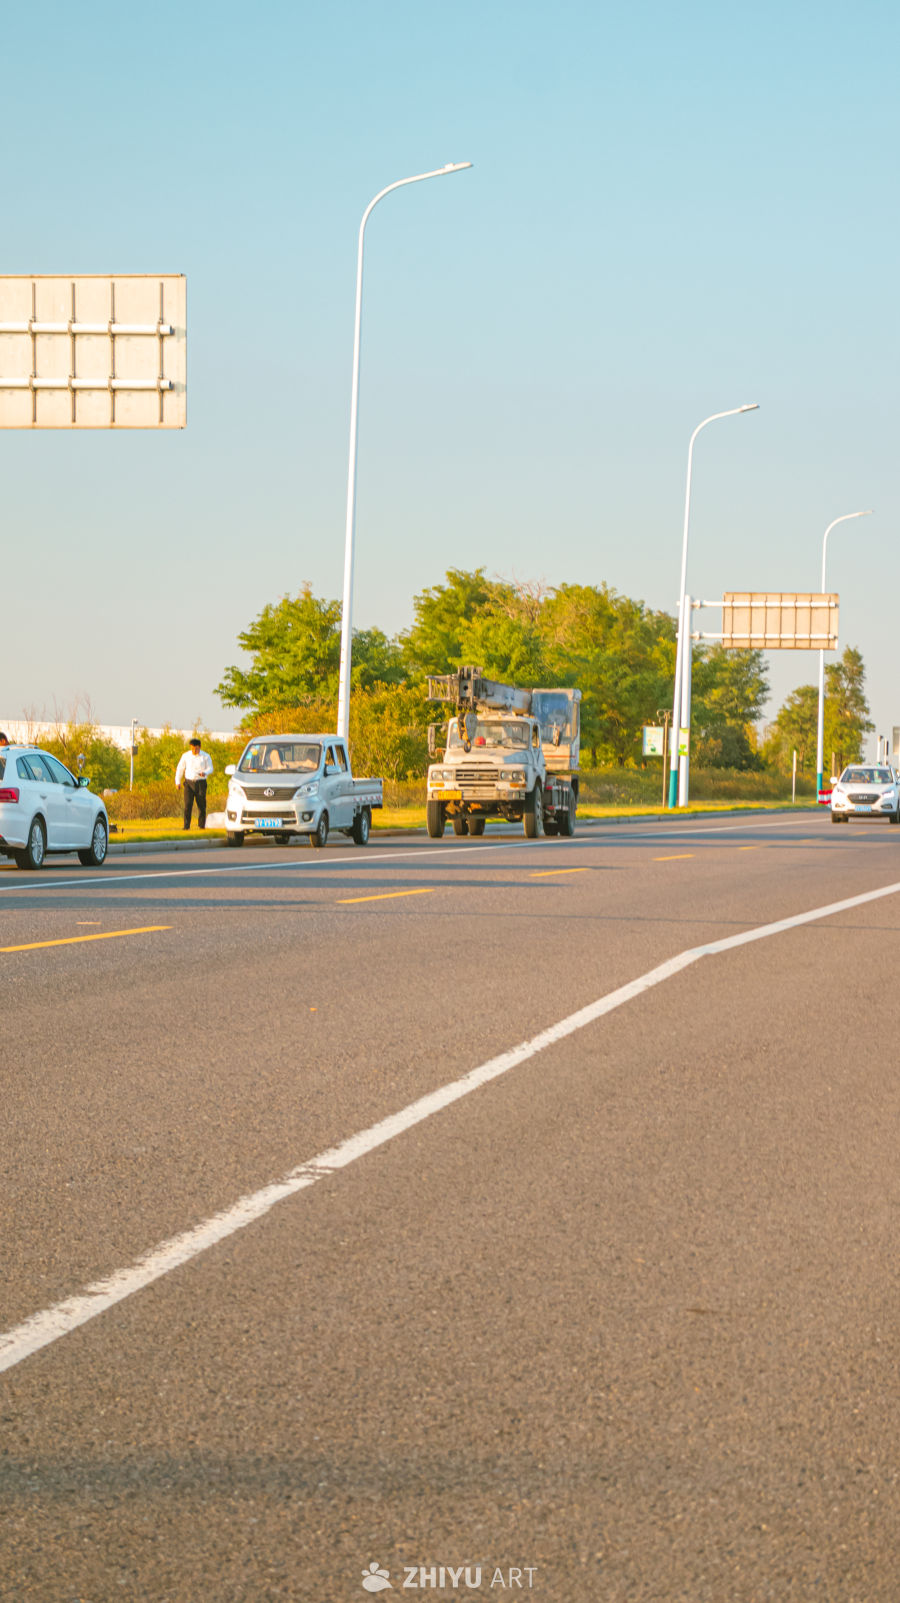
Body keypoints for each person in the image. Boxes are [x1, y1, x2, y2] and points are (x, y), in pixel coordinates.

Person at [175, 736, 214, 829]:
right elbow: (180, 768)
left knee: (201, 805)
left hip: (200, 783)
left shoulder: (205, 756)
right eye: (192, 748)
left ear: (199, 747)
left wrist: (205, 773)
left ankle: (201, 826)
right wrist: (177, 781)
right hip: (189, 783)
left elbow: (210, 768)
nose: (194, 750)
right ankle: (186, 826)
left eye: (196, 748)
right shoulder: (186, 756)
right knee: (188, 805)